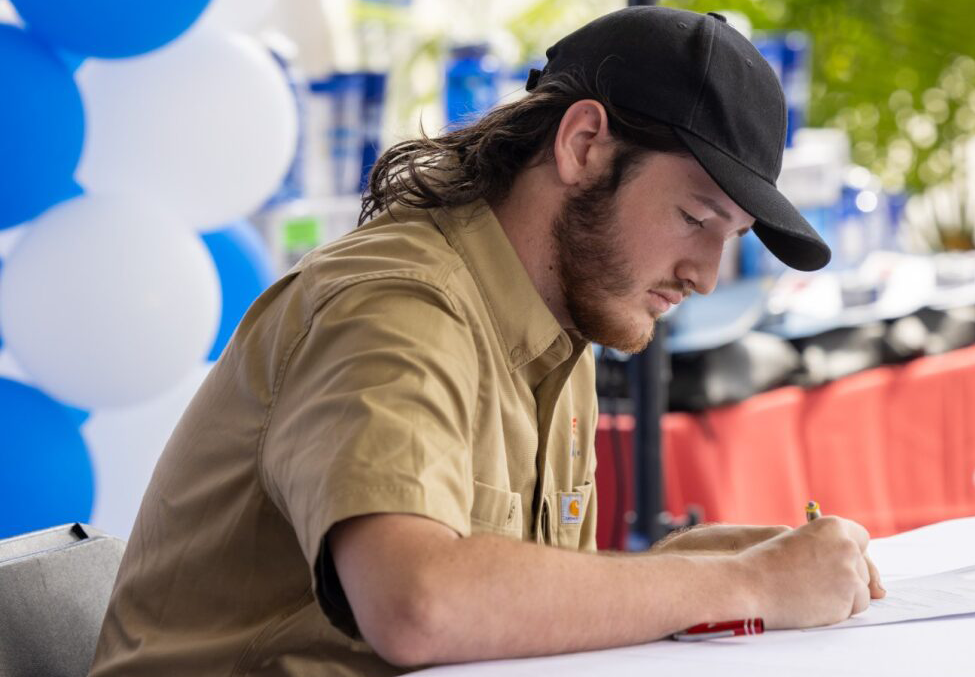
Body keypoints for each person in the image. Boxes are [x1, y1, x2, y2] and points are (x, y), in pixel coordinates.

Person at [88, 7, 884, 676]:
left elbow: (494, 613)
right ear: (582, 144)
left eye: (729, 237)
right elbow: (418, 603)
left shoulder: (561, 323)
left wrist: (690, 570)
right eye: (695, 218)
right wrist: (744, 584)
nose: (706, 275)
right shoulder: (395, 306)